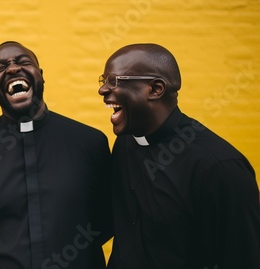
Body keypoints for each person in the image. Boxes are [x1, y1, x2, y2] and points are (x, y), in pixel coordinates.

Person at [0, 41, 113, 269]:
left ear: (40, 76)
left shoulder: (90, 144)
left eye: (23, 62)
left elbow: (108, 219)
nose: (12, 69)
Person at [98, 43, 260, 269]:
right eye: (103, 81)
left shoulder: (220, 168)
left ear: (155, 89)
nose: (103, 90)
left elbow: (242, 259)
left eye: (113, 81)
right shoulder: (125, 143)